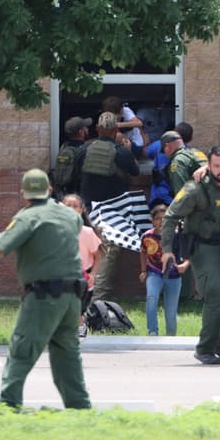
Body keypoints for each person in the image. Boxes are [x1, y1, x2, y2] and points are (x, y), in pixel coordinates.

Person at [0, 169, 91, 409]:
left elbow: (1, 248)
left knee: (23, 348)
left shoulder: (27, 217)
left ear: (24, 194)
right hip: (73, 298)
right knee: (67, 353)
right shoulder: (71, 216)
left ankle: (8, 404)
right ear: (50, 190)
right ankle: (79, 406)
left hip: (44, 296)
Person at [162, 147, 220, 365]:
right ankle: (205, 347)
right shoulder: (194, 188)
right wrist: (167, 250)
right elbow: (170, 216)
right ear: (209, 166)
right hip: (202, 247)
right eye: (216, 166)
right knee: (216, 292)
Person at [80, 111, 139, 300]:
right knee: (107, 255)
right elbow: (135, 172)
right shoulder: (122, 153)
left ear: (97, 129)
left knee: (87, 254)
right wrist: (128, 149)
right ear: (115, 130)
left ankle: (85, 297)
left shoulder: (84, 150)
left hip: (88, 211)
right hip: (113, 213)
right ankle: (97, 302)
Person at [139, 203, 189, 336]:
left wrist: (185, 265)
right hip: (154, 274)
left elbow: (189, 253)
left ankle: (171, 336)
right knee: (151, 298)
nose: (161, 222)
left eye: (165, 218)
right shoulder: (147, 236)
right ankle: (152, 331)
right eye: (158, 218)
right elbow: (143, 252)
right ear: (152, 220)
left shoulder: (177, 235)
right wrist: (144, 270)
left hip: (174, 276)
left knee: (171, 311)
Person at [61, 193, 102, 338]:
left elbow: (98, 256)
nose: (71, 209)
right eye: (68, 206)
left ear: (81, 210)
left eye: (75, 206)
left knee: (77, 310)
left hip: (83, 277)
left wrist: (93, 275)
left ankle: (80, 324)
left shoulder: (87, 232)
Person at [51, 116, 92, 199]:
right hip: (77, 194)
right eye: (86, 128)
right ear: (81, 132)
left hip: (63, 193)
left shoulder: (64, 147)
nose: (88, 129)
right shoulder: (84, 150)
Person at [165, 128, 208, 197]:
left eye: (164, 150)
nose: (165, 154)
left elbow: (181, 194)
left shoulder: (177, 161)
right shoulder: (196, 152)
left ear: (167, 146)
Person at [144, 131, 175, 208]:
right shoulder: (185, 148)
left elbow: (146, 152)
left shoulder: (158, 144)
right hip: (173, 198)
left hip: (159, 194)